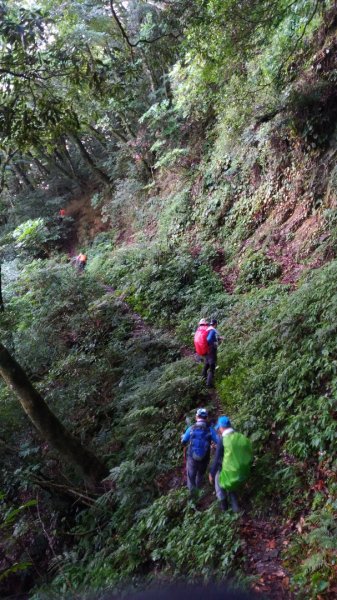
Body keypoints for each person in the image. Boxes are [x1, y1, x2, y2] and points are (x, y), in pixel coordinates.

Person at [209, 415, 253, 513]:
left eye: (219, 428)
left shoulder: (222, 440)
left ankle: (224, 509)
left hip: (229, 474)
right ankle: (236, 510)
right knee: (231, 488)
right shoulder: (241, 437)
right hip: (243, 473)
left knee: (218, 481)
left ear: (221, 427)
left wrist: (211, 474)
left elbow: (216, 459)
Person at [181, 408, 218, 493]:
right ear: (206, 418)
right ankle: (198, 491)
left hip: (192, 457)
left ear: (197, 416)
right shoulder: (210, 430)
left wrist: (182, 437)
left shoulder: (191, 428)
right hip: (205, 457)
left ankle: (192, 495)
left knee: (191, 476)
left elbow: (184, 441)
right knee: (200, 475)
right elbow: (218, 441)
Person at [202, 318, 220, 388]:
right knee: (212, 366)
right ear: (215, 324)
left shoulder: (208, 329)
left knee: (206, 364)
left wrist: (219, 338)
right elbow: (209, 339)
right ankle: (208, 384)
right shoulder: (212, 330)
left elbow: (210, 338)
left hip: (206, 349)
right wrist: (213, 344)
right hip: (211, 350)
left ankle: (203, 379)